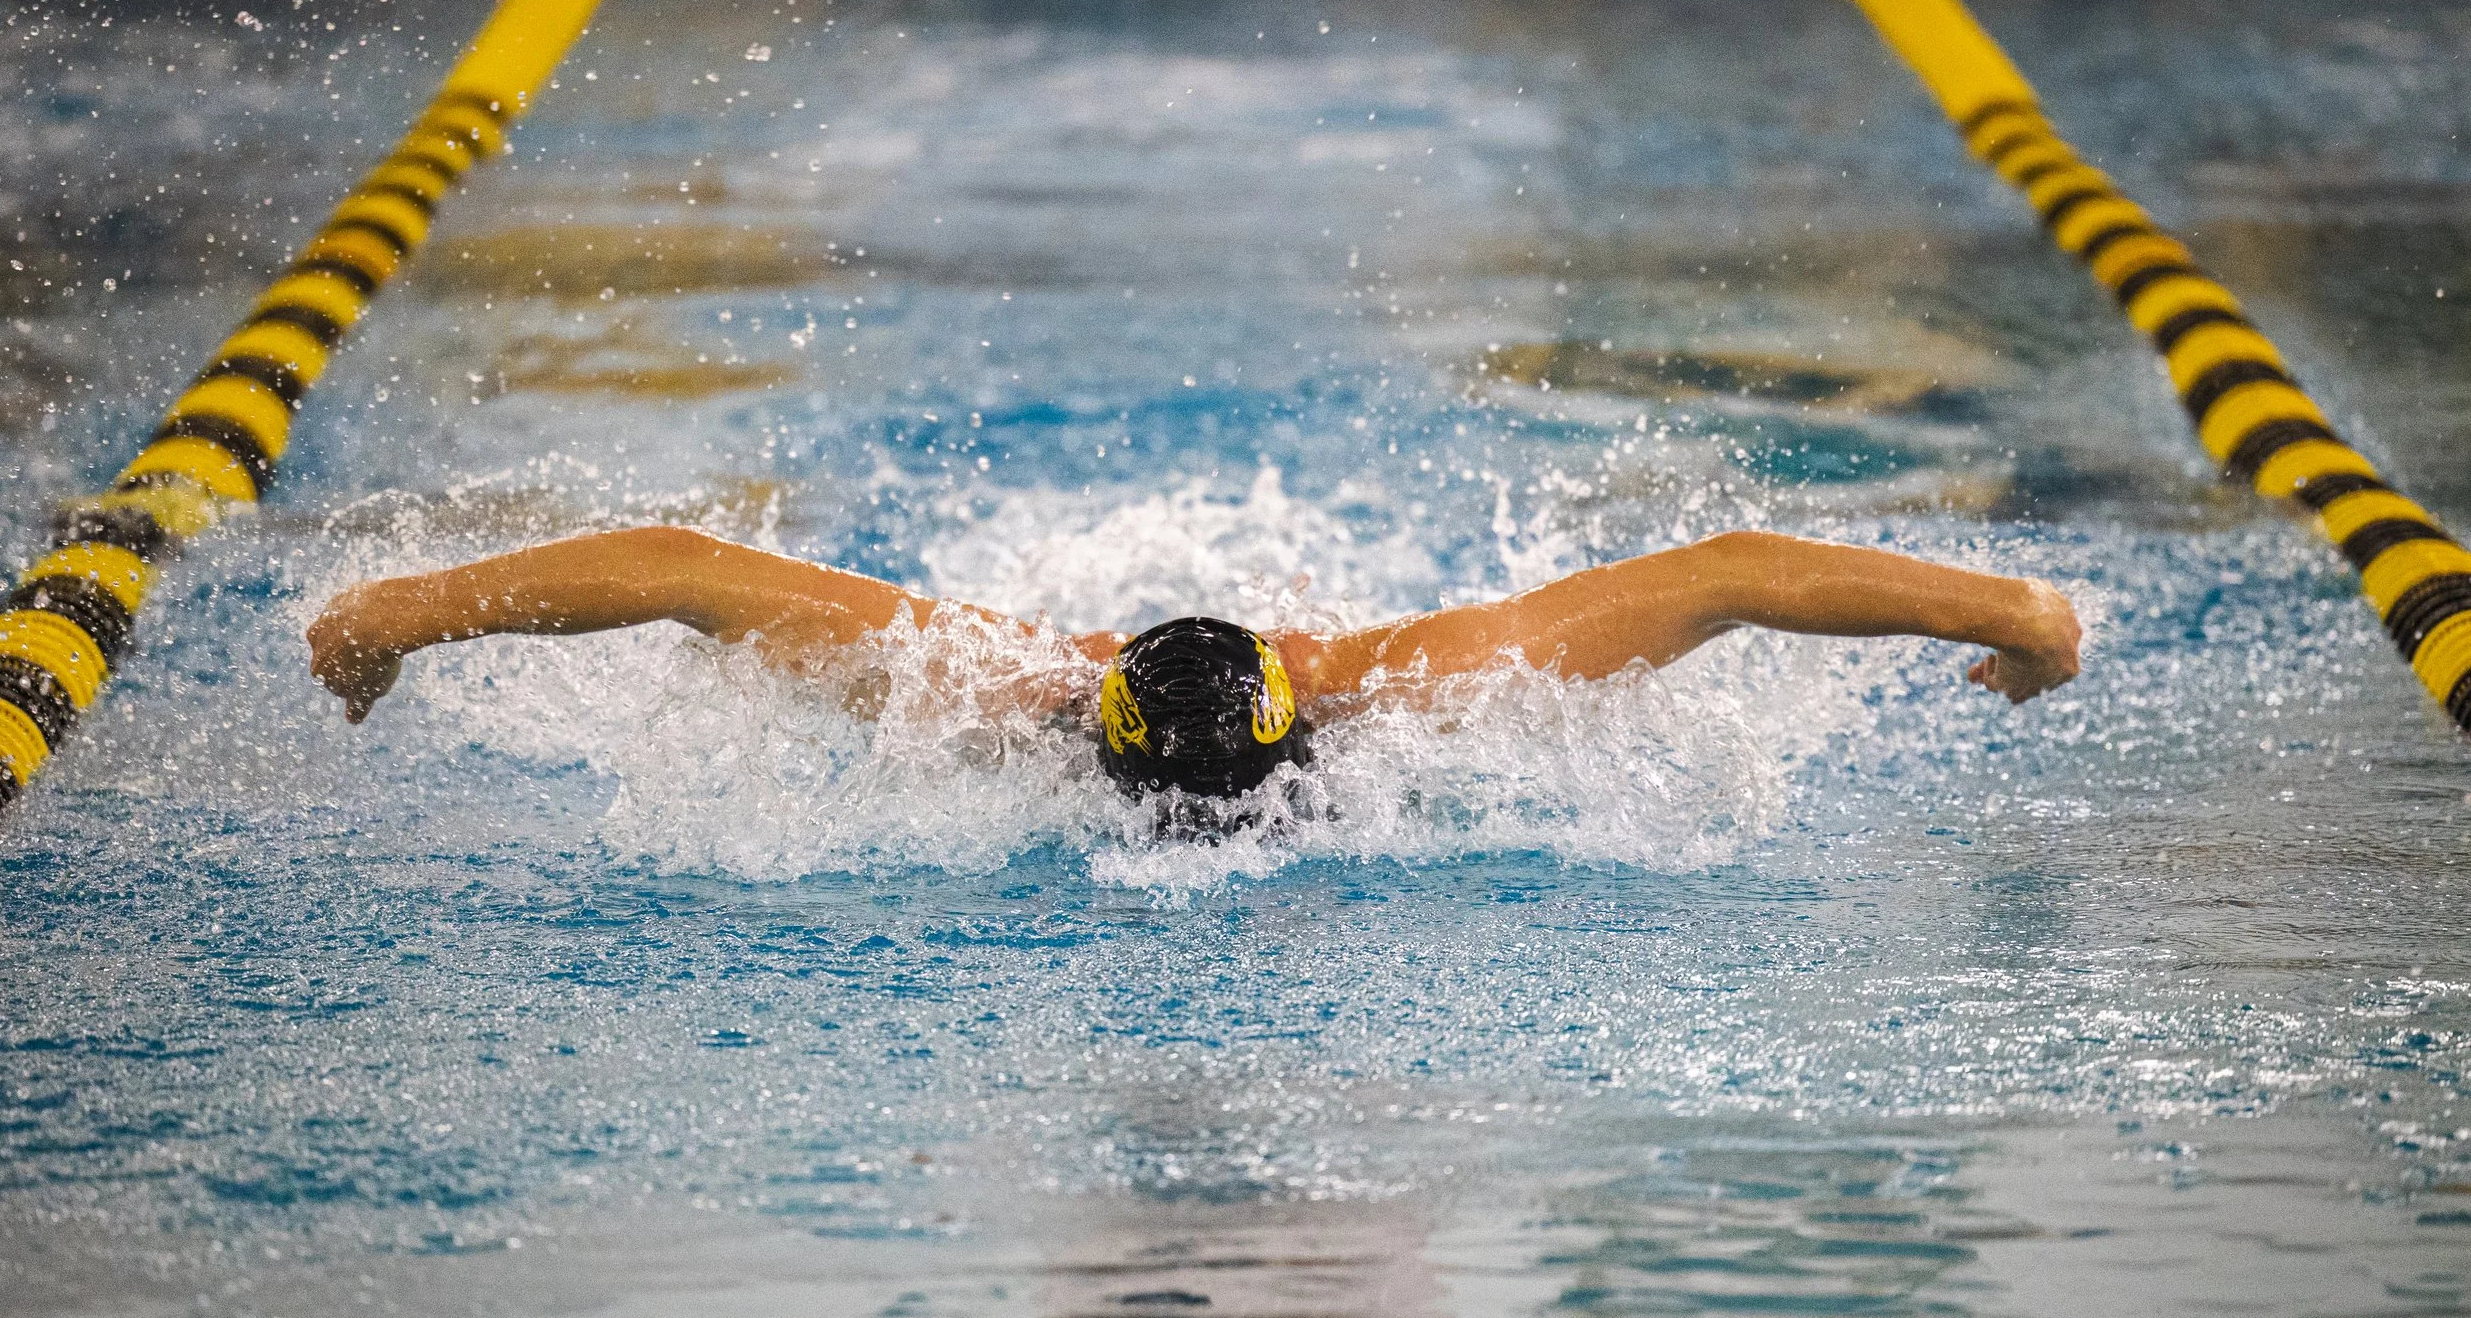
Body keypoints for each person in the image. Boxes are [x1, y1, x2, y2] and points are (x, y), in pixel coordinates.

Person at [306, 526, 2080, 809]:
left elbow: (1738, 575)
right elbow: (680, 574)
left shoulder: (1417, 682)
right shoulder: (993, 688)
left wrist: (2018, 608)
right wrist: (393, 610)